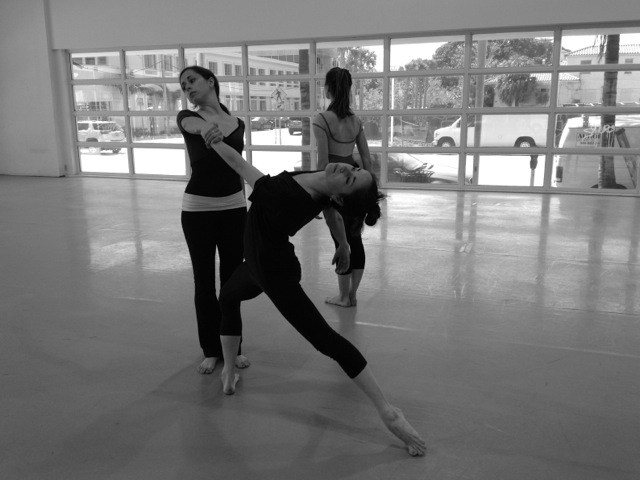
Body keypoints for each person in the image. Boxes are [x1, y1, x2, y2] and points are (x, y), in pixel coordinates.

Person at [201, 126, 426, 457]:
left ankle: (389, 412)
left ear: (339, 193)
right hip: (259, 264)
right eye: (356, 169)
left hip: (274, 274)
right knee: (228, 297)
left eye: (350, 178)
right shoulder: (323, 183)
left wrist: (215, 141)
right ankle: (230, 370)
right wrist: (345, 243)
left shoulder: (282, 195)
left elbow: (238, 164)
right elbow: (332, 211)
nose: (347, 168)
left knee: (325, 340)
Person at [177, 66, 250, 374]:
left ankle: (233, 348)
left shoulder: (238, 123)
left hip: (234, 208)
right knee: (204, 284)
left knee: (233, 283)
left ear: (210, 81)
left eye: (192, 81)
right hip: (198, 211)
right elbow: (194, 127)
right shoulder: (186, 117)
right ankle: (210, 349)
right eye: (183, 85)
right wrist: (205, 130)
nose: (187, 88)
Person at [312, 67, 373, 308]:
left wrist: (320, 196)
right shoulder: (356, 121)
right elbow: (367, 159)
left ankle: (343, 297)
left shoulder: (322, 120)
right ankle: (353, 294)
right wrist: (369, 188)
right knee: (355, 240)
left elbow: (323, 163)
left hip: (337, 183)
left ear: (328, 89)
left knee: (341, 242)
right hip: (356, 183)